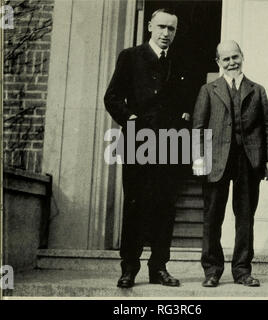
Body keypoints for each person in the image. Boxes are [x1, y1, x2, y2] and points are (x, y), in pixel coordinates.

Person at [104, 8, 192, 288]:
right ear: (150, 27)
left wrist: (184, 124)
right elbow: (112, 98)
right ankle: (129, 268)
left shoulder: (180, 61)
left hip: (170, 143)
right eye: (162, 27)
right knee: (135, 206)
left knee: (165, 207)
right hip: (137, 141)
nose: (166, 33)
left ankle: (159, 268)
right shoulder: (130, 57)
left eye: (172, 29)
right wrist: (131, 119)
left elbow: (188, 102)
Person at [192, 40, 268, 287]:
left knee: (245, 219)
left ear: (242, 57)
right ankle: (212, 271)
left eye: (235, 57)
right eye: (226, 59)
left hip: (248, 162)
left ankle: (242, 271)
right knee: (212, 218)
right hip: (216, 161)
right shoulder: (208, 90)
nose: (231, 62)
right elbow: (198, 128)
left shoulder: (257, 90)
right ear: (218, 62)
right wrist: (198, 159)